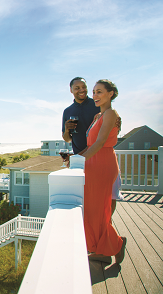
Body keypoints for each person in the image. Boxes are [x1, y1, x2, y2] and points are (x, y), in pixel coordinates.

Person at [80, 79, 126, 265]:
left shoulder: (110, 113)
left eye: (99, 92)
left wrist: (80, 160)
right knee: (92, 210)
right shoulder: (97, 116)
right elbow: (90, 144)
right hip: (93, 163)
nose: (95, 96)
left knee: (99, 210)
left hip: (102, 163)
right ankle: (102, 250)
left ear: (110, 94)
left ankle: (116, 244)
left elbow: (100, 143)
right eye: (94, 92)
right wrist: (75, 158)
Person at [62, 77, 123, 215]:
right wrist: (67, 130)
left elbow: (102, 139)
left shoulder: (100, 107)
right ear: (71, 90)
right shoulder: (69, 111)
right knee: (89, 198)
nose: (82, 90)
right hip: (84, 156)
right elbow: (67, 138)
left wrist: (77, 160)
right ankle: (100, 229)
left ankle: (106, 228)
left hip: (98, 157)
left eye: (84, 87)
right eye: (77, 88)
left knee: (108, 198)